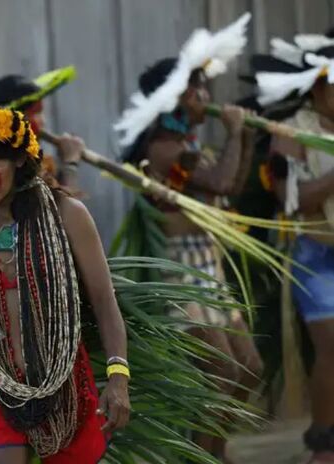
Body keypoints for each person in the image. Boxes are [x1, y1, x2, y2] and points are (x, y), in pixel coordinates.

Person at [0, 103, 129, 463]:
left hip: (65, 381)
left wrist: (118, 378)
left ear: (19, 159)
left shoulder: (68, 215)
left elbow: (104, 302)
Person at [115, 13, 263, 461]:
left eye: (205, 86)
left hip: (208, 268)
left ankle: (214, 452)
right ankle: (200, 457)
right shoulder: (163, 147)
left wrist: (249, 140)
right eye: (195, 88)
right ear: (174, 97)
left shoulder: (190, 143)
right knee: (220, 373)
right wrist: (236, 131)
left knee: (250, 369)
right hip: (179, 274)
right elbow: (219, 181)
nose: (205, 96)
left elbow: (230, 187)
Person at [252, 36, 334, 463]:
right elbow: (292, 200)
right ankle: (323, 447)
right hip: (314, 256)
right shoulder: (291, 132)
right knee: (332, 348)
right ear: (319, 87)